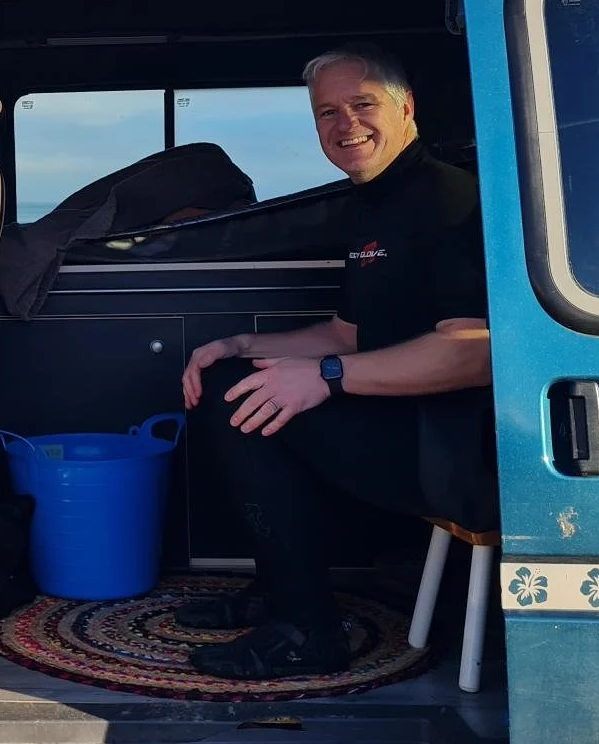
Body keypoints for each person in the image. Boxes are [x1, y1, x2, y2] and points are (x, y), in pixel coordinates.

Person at [177, 44, 493, 681]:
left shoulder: (450, 202)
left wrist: (326, 379)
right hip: (411, 427)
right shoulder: (374, 208)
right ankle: (279, 590)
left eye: (362, 105)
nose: (344, 124)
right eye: (326, 112)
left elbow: (479, 354)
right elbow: (346, 336)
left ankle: (307, 631)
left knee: (244, 399)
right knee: (227, 378)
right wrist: (239, 346)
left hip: (462, 450)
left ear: (406, 108)